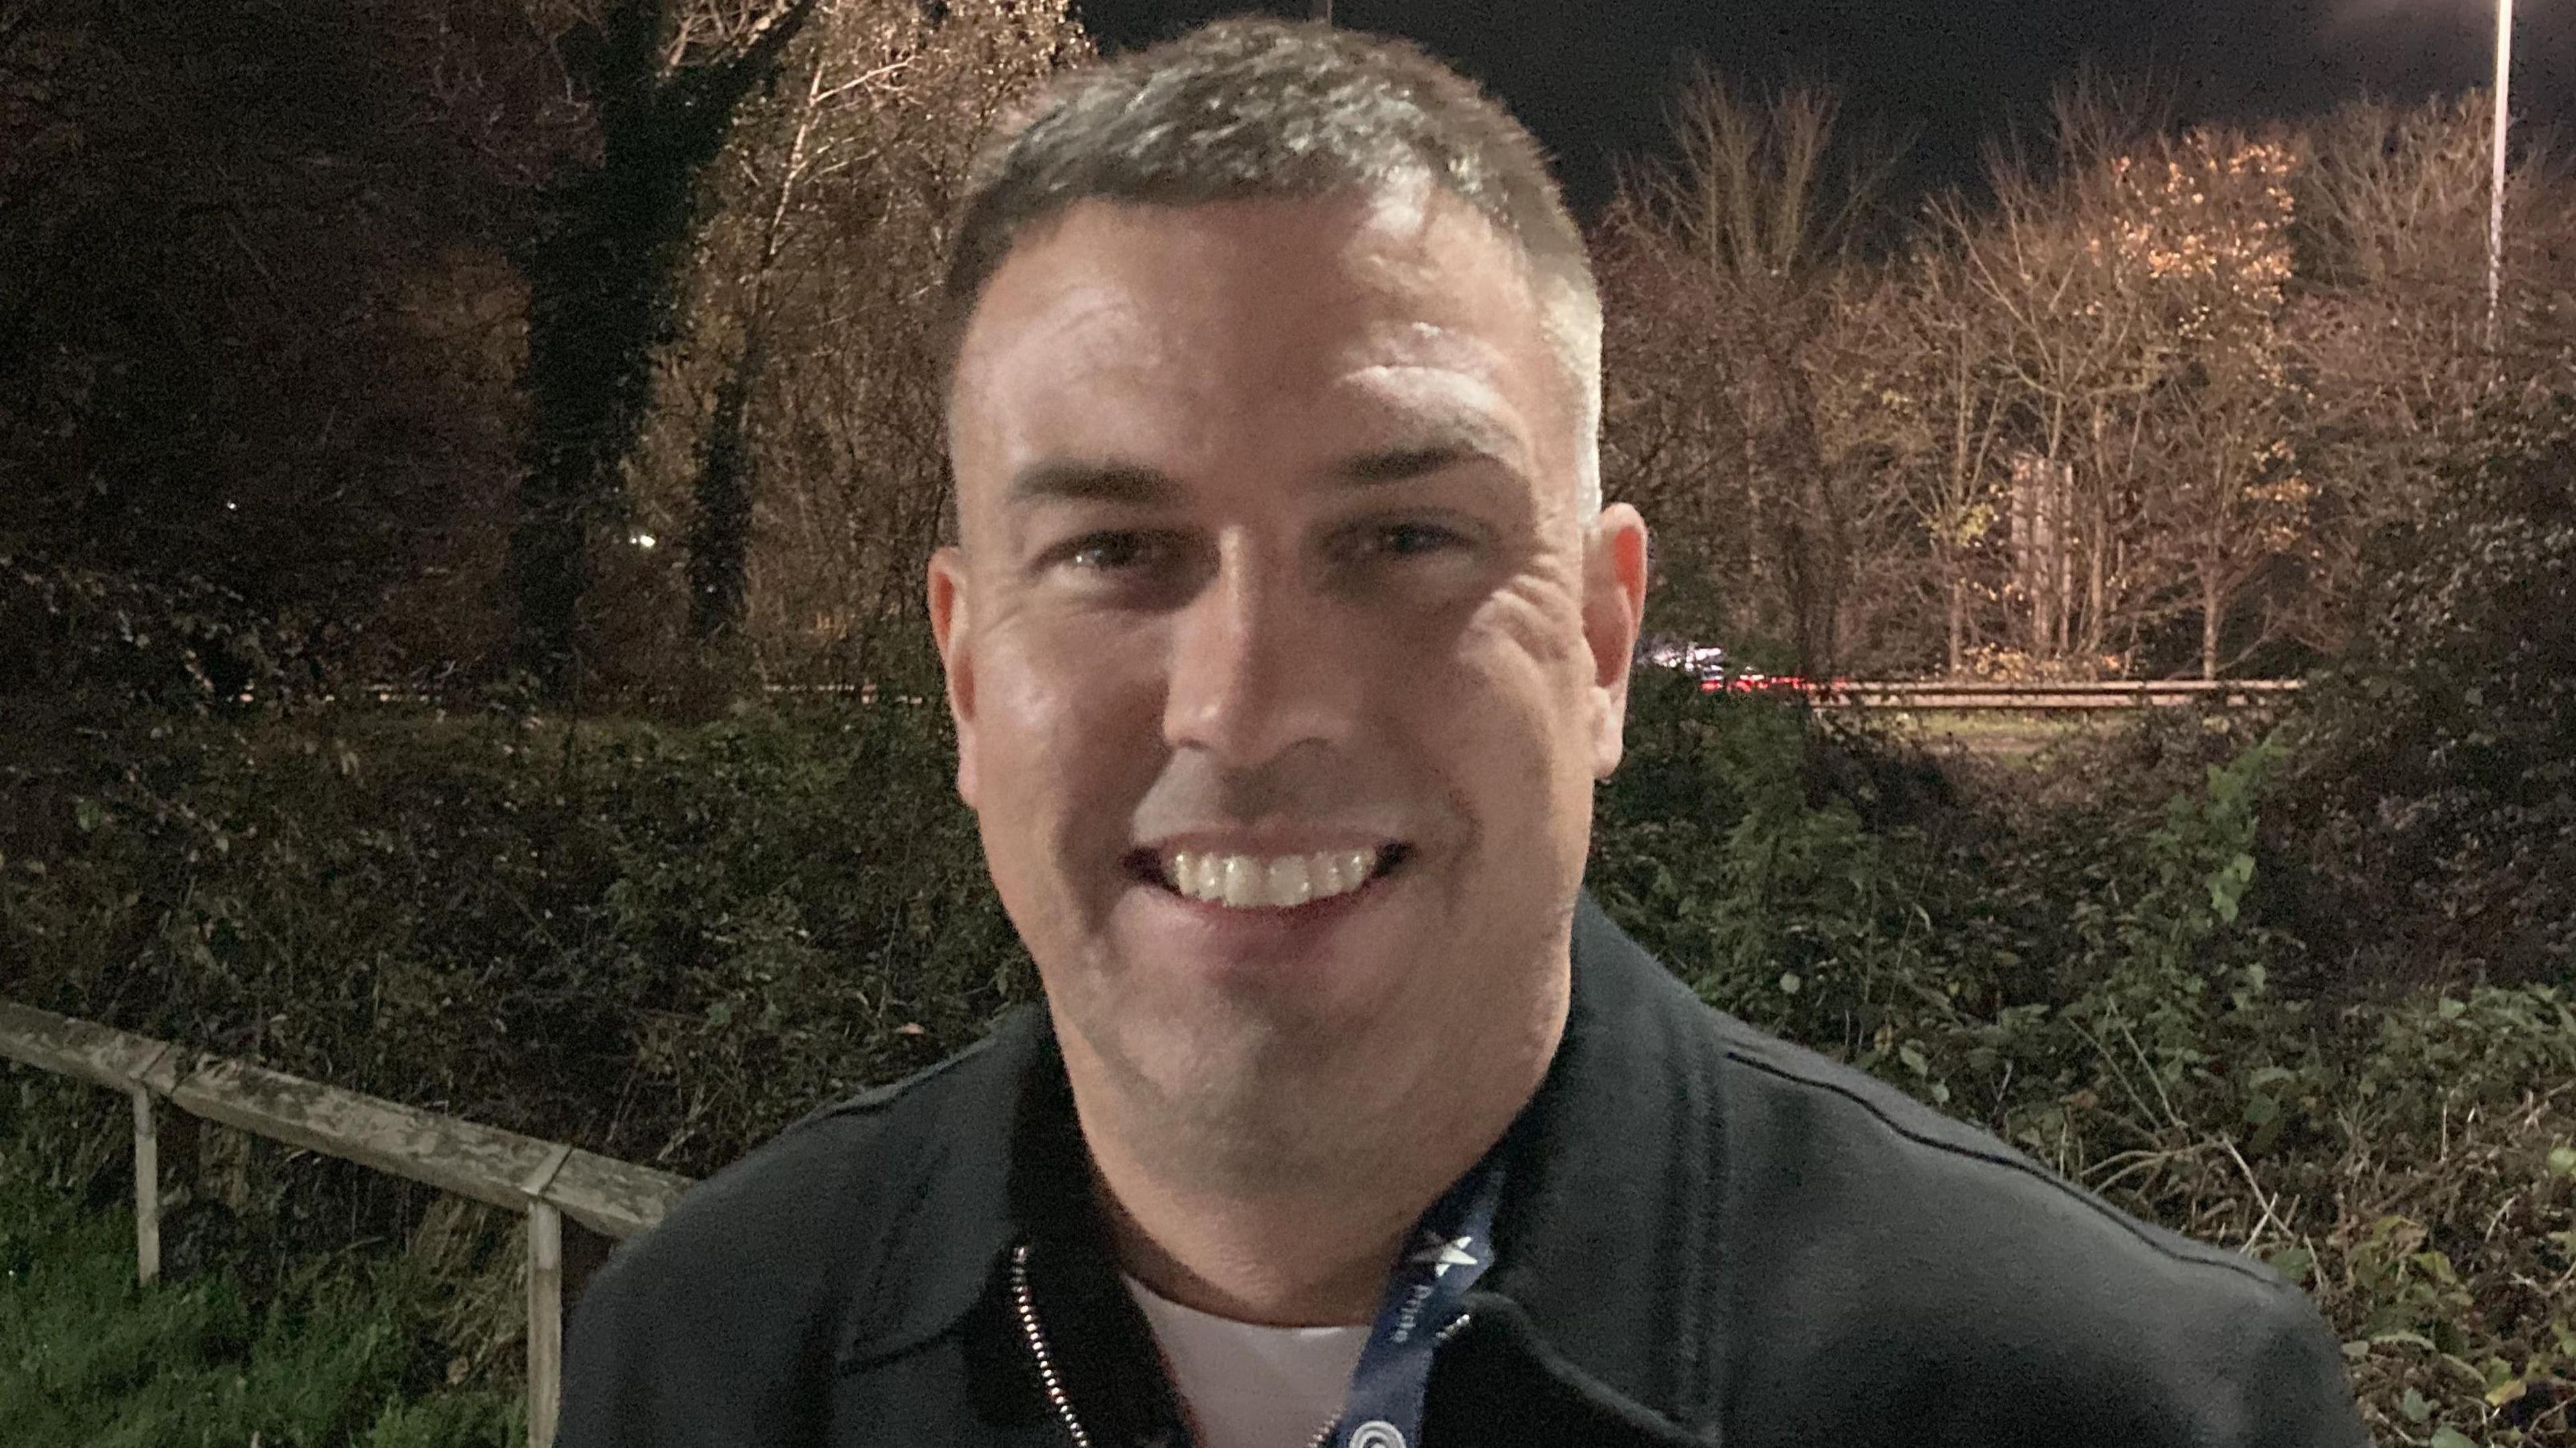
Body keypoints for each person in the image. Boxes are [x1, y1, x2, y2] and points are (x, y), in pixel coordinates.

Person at [557, 19, 2369, 1448]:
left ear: (1599, 642)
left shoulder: (2118, 1409)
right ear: (966, 678)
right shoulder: (707, 1362)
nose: (1248, 707)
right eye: (1114, 553)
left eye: (1406, 540)